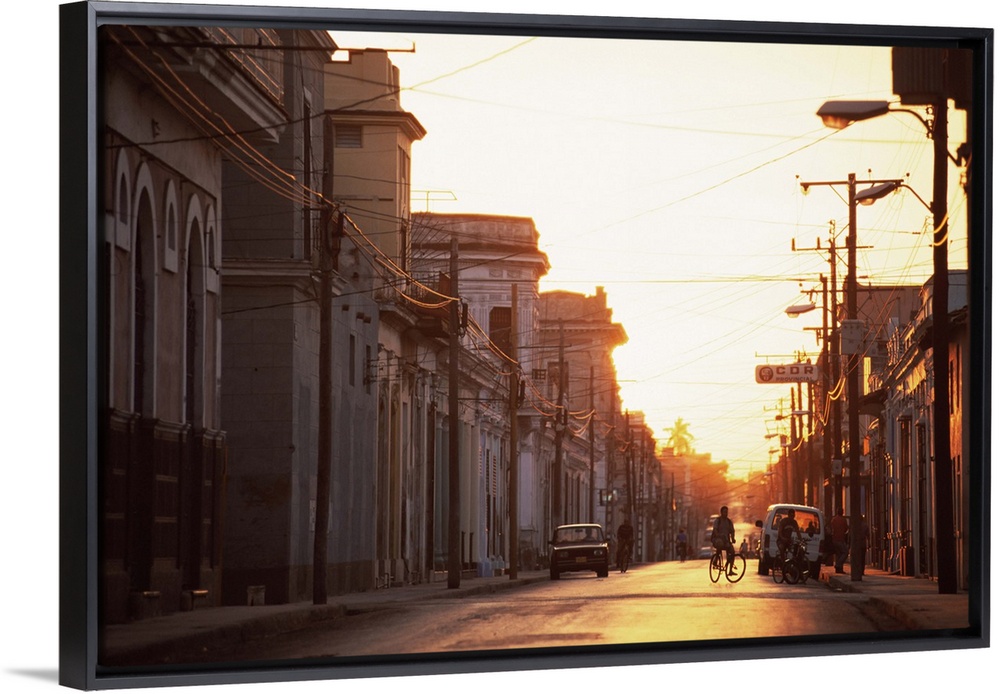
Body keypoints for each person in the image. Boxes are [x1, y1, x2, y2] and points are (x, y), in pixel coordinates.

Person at [711, 506, 737, 574]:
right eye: (725, 512)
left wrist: (733, 538)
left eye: (727, 512)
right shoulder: (718, 521)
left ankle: (730, 570)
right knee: (719, 545)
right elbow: (715, 530)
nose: (726, 513)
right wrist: (718, 535)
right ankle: (716, 560)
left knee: (732, 552)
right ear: (721, 512)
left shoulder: (729, 522)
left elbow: (732, 531)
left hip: (726, 541)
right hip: (718, 540)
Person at [829, 507, 849, 574]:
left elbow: (831, 528)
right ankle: (838, 565)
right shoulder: (843, 520)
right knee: (845, 552)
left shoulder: (833, 519)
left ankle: (839, 569)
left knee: (838, 554)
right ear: (842, 512)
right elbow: (846, 529)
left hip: (834, 539)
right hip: (840, 539)